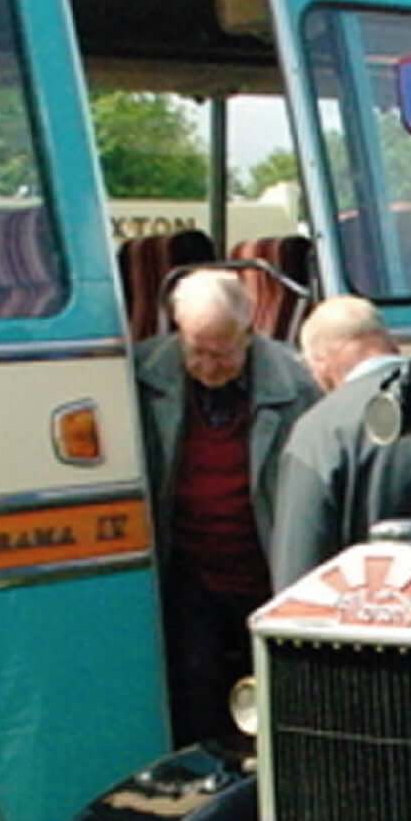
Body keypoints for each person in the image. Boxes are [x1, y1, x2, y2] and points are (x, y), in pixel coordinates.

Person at [136, 268, 317, 742]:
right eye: (195, 350)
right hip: (190, 574)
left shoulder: (297, 384)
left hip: (265, 568)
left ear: (250, 332)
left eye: (222, 352)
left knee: (279, 699)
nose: (208, 366)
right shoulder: (139, 377)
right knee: (195, 692)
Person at [269, 296, 411, 588]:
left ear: (320, 361)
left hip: (374, 619)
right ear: (389, 342)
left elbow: (299, 565)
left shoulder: (319, 431)